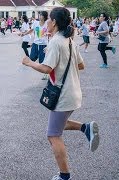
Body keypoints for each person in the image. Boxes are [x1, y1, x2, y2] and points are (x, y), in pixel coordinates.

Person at [22, 7, 100, 180]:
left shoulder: (57, 42)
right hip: (73, 92)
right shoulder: (69, 41)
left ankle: (65, 176)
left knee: (53, 135)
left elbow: (46, 68)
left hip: (62, 95)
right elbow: (81, 65)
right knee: (57, 125)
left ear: (55, 22)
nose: (47, 22)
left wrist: (28, 62)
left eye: (49, 19)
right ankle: (85, 128)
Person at [21, 11, 49, 80]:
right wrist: (24, 34)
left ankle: (46, 74)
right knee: (32, 58)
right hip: (35, 44)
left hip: (43, 44)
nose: (40, 16)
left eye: (41, 15)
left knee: (43, 61)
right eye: (39, 15)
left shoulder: (47, 24)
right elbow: (31, 30)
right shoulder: (35, 23)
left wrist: (48, 34)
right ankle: (27, 61)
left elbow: (51, 32)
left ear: (44, 17)